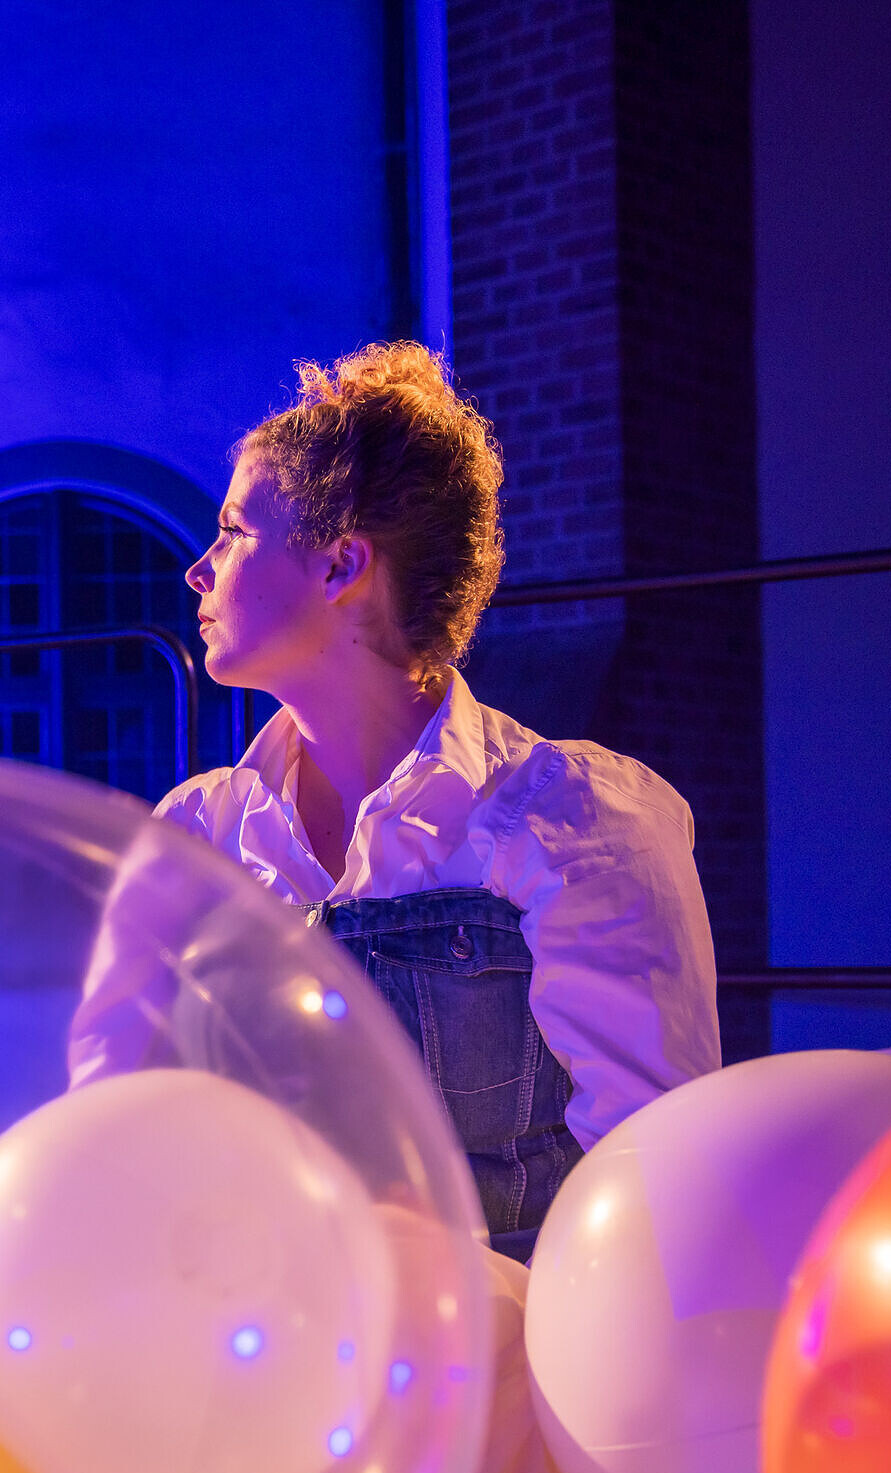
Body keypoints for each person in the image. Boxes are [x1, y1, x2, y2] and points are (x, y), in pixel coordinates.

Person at [149, 343, 717, 1260]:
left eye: (235, 531)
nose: (199, 570)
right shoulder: (197, 832)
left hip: (511, 1333)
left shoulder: (573, 822)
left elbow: (653, 1175)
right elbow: (126, 1123)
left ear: (340, 567)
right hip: (257, 1329)